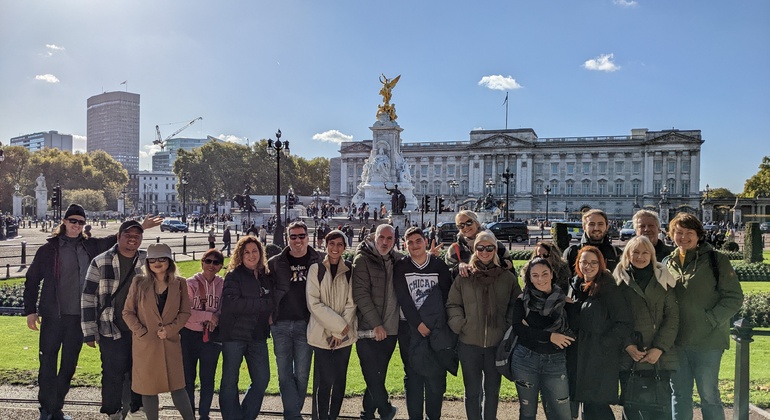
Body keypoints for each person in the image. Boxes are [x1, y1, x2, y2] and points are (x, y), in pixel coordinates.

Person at [24, 206, 158, 420]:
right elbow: (32, 280)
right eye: (72, 221)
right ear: (64, 221)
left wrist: (142, 226)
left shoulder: (90, 246)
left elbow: (119, 240)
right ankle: (47, 408)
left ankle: (56, 407)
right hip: (53, 316)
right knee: (47, 364)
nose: (76, 225)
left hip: (78, 318)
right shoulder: (48, 249)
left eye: (80, 222)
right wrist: (30, 311)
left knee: (68, 365)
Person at [665, 213, 743, 420]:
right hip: (677, 341)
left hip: (708, 341)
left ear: (699, 235)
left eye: (688, 233)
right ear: (672, 234)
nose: (683, 237)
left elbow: (734, 297)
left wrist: (710, 320)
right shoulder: (667, 262)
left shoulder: (717, 260)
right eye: (678, 232)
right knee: (679, 394)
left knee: (708, 395)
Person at [446, 231, 520, 420]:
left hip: (497, 343)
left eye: (489, 248)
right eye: (480, 247)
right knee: (472, 391)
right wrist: (461, 324)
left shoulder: (507, 277)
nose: (484, 252)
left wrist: (507, 325)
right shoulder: (464, 276)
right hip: (469, 342)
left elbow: (516, 304)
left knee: (493, 391)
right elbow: (453, 304)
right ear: (474, 249)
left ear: (495, 249)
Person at [81, 220, 151, 419]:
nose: (132, 239)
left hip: (140, 328)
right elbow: (88, 297)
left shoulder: (146, 260)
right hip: (110, 326)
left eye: (137, 236)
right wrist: (89, 333)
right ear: (119, 236)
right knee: (112, 374)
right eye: (128, 235)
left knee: (140, 371)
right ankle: (112, 411)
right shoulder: (101, 261)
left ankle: (138, 409)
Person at [122, 243, 194, 420]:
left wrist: (170, 330)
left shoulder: (180, 283)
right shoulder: (138, 282)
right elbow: (128, 312)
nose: (157, 263)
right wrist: (141, 332)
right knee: (148, 390)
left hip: (170, 344)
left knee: (178, 388)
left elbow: (185, 312)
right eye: (152, 259)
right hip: (146, 345)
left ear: (169, 261)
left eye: (162, 258)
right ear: (147, 263)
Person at [613, 236, 679, 420]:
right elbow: (613, 318)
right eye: (635, 252)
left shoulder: (663, 279)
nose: (640, 257)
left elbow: (672, 317)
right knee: (631, 409)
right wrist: (628, 346)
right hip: (629, 355)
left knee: (660, 410)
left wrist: (659, 348)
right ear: (628, 254)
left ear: (652, 255)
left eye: (645, 253)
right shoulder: (618, 282)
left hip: (659, 356)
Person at [567, 245, 634, 420]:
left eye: (593, 262)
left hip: (600, 357)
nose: (588, 266)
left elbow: (624, 322)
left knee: (598, 407)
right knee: (587, 407)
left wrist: (604, 344)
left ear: (601, 264)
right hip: (579, 355)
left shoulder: (608, 287)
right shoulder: (576, 286)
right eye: (584, 262)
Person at [393, 227, 453, 420]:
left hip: (435, 329)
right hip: (408, 328)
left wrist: (431, 325)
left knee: (435, 374)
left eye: (418, 241)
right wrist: (418, 323)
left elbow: (445, 297)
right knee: (412, 374)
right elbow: (403, 297)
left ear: (426, 242)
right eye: (409, 242)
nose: (414, 245)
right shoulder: (401, 266)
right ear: (405, 245)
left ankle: (433, 416)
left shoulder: (439, 266)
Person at [268, 221, 325, 419]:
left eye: (301, 236)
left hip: (306, 324)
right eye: (293, 236)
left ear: (308, 237)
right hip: (280, 323)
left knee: (302, 374)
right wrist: (269, 313)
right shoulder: (275, 262)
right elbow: (266, 290)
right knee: (284, 374)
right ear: (287, 238)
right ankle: (293, 415)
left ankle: (292, 413)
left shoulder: (319, 260)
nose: (298, 240)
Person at [218, 236, 275, 420]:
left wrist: (263, 305)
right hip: (234, 335)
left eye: (255, 251)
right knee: (229, 382)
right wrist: (262, 304)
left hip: (257, 336)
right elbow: (232, 305)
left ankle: (245, 416)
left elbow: (271, 301)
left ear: (260, 253)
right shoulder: (234, 275)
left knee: (262, 380)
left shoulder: (266, 276)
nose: (251, 255)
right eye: (247, 252)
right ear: (240, 255)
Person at [510, 258, 575, 420]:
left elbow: (571, 334)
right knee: (527, 412)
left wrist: (532, 329)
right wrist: (550, 336)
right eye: (535, 275)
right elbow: (519, 329)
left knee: (562, 413)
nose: (540, 279)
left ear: (552, 274)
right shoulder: (523, 300)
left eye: (545, 274)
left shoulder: (565, 301)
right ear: (530, 278)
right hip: (525, 360)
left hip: (555, 361)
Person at [351, 224, 403, 420]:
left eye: (389, 239)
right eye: (382, 237)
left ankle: (367, 413)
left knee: (377, 376)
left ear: (394, 242)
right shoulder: (362, 260)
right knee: (372, 375)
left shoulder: (396, 260)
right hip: (368, 329)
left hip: (391, 330)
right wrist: (376, 324)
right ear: (374, 238)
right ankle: (385, 410)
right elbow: (361, 295)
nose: (385, 242)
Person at [306, 230, 358, 420]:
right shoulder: (316, 269)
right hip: (322, 334)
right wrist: (337, 328)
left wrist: (340, 333)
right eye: (332, 244)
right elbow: (314, 303)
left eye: (339, 244)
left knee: (339, 380)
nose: (335, 248)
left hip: (343, 336)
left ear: (344, 247)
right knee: (325, 381)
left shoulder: (350, 270)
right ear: (326, 245)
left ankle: (333, 416)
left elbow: (352, 302)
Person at [181, 249, 225, 420]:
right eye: (208, 261)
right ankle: (189, 414)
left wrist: (216, 319)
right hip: (189, 335)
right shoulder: (190, 283)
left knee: (208, 378)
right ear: (202, 262)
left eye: (216, 262)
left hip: (211, 335)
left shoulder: (223, 284)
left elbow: (224, 307)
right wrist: (209, 316)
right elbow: (185, 312)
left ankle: (204, 414)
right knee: (188, 378)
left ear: (220, 266)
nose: (211, 265)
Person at [444, 210, 513, 279]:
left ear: (476, 223)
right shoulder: (454, 249)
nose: (465, 227)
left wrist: (505, 266)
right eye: (461, 225)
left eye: (469, 222)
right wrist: (458, 267)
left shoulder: (497, 245)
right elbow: (447, 277)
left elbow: (512, 275)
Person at [563, 209, 622, 276]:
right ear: (584, 227)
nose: (596, 228)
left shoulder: (616, 253)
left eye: (600, 224)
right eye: (591, 224)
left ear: (607, 227)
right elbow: (564, 283)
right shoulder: (571, 252)